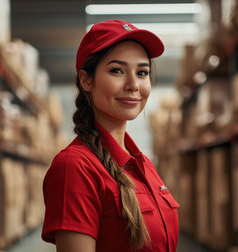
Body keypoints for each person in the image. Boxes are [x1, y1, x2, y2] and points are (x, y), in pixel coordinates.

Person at [41, 20, 180, 252]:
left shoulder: (144, 165)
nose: (133, 84)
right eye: (117, 70)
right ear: (86, 80)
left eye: (142, 72)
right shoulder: (75, 168)